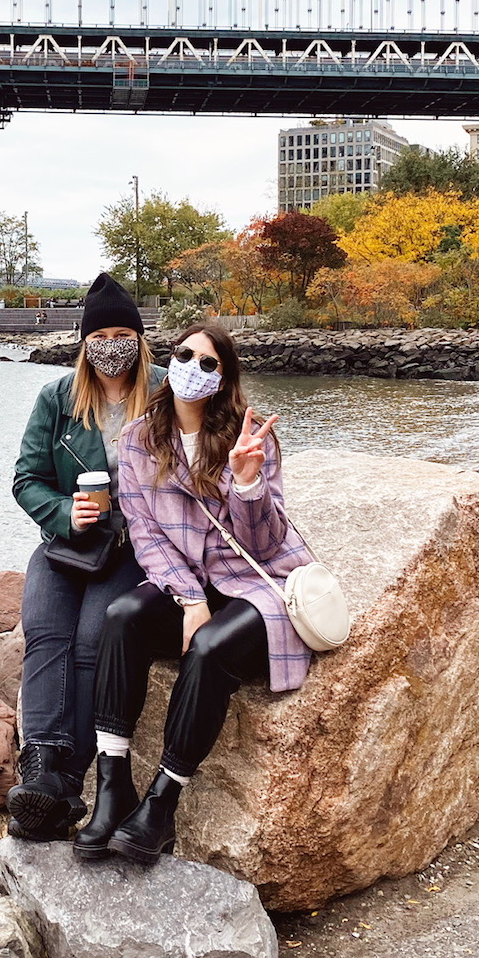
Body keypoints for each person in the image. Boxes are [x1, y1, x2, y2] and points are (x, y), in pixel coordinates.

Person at [73, 321, 313, 866]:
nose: (192, 369)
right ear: (168, 358)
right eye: (185, 355)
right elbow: (144, 531)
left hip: (256, 581)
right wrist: (188, 597)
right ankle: (113, 788)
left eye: (209, 363)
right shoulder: (138, 438)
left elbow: (265, 542)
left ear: (223, 378)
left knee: (208, 651)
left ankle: (162, 802)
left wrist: (247, 481)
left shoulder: (250, 439)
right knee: (122, 616)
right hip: (191, 582)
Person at [9, 273, 165, 840]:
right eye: (102, 334)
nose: (112, 344)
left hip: (131, 545)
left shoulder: (168, 392)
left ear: (140, 339)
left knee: (91, 641)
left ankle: (70, 778)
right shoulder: (57, 398)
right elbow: (27, 479)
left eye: (125, 332)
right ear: (85, 340)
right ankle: (41, 767)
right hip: (67, 542)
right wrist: (62, 513)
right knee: (45, 631)